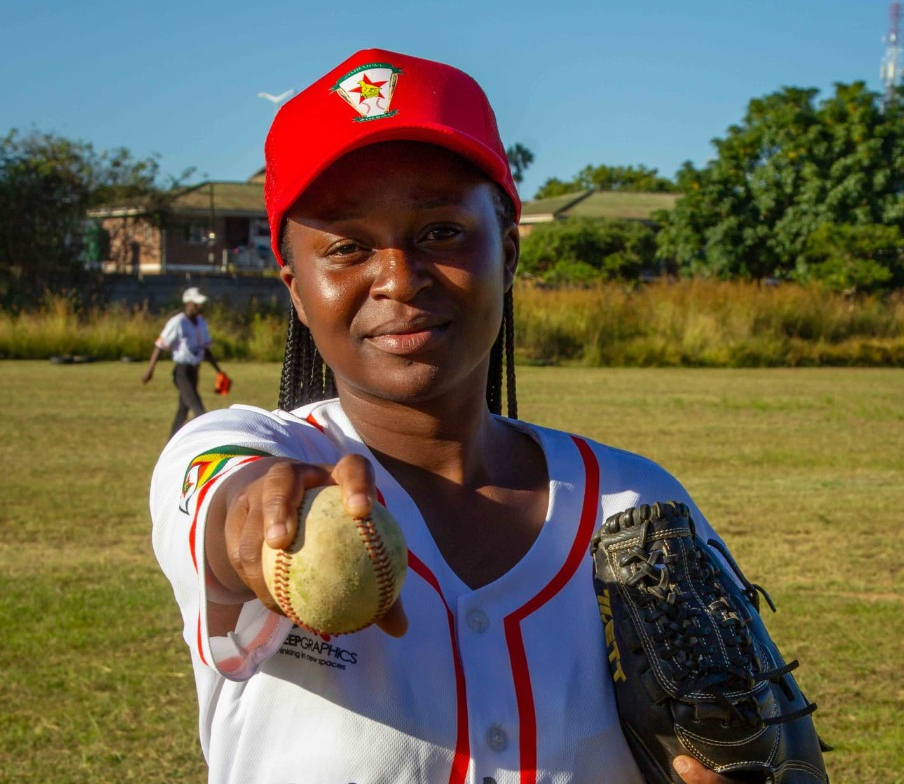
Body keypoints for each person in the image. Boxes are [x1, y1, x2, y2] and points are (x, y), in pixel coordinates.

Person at [150, 48, 728, 784]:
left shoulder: (639, 504)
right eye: (347, 247)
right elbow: (221, 499)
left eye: (441, 232)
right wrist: (256, 516)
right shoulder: (238, 447)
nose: (399, 278)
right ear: (295, 286)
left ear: (508, 253)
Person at [142, 286, 225, 437]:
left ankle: (171, 443)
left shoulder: (201, 322)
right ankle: (207, 440)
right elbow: (160, 346)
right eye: (196, 304)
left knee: (183, 410)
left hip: (195, 371)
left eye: (200, 304)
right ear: (188, 303)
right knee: (199, 410)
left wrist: (218, 371)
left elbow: (205, 350)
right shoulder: (178, 322)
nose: (199, 307)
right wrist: (150, 370)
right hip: (182, 373)